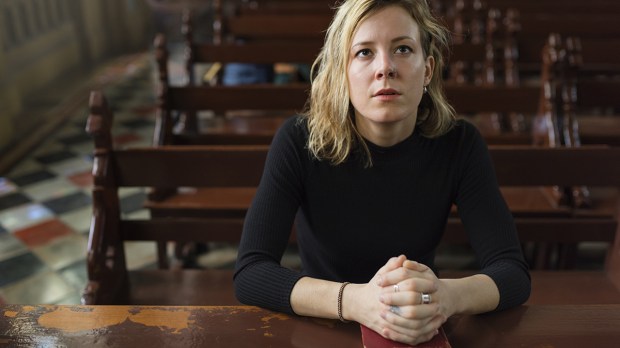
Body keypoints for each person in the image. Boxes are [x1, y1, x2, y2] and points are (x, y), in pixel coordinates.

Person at [233, 0, 531, 345]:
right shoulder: (300, 140)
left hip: (415, 326)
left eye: (403, 49)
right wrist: (357, 301)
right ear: (341, 70)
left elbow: (511, 271)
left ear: (428, 69)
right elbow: (251, 273)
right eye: (364, 53)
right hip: (323, 323)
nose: (385, 68)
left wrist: (444, 297)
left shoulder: (459, 144)